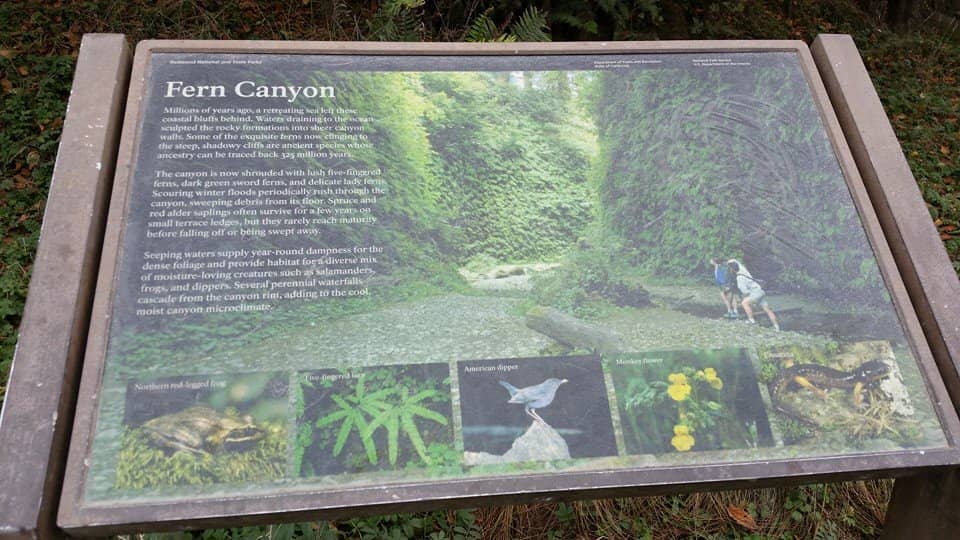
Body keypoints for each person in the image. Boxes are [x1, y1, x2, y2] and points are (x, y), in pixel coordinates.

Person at [727, 259, 780, 331]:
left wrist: (743, 299)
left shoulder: (739, 278)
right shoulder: (744, 270)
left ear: (732, 269)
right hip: (760, 291)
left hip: (755, 293)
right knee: (767, 310)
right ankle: (777, 327)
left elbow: (745, 292)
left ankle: (751, 320)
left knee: (744, 303)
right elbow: (735, 261)